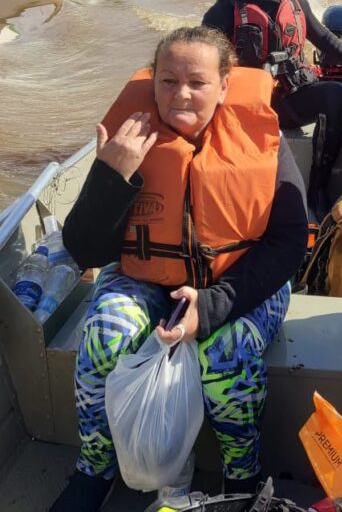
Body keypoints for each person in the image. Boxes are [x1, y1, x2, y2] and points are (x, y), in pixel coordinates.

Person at [50, 26, 308, 512]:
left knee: (227, 354)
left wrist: (210, 307)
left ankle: (242, 476)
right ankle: (94, 467)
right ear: (153, 83)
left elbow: (290, 242)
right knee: (103, 336)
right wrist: (112, 175)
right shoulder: (126, 140)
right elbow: (85, 250)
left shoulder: (262, 142)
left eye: (197, 82)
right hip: (147, 279)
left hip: (241, 280)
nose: (181, 94)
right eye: (168, 81)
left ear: (224, 86)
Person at [203, 0, 342, 219]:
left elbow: (325, 39)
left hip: (289, 101)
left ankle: (318, 187)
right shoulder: (221, 12)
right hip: (244, 109)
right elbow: (202, 61)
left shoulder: (296, 1)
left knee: (337, 94)